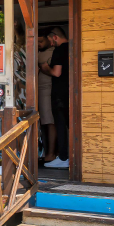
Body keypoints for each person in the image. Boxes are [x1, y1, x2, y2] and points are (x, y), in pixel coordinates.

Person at [40, 27, 70, 169]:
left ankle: (64, 157)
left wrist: (46, 68)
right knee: (70, 126)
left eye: (51, 40)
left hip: (60, 95)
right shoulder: (73, 48)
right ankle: (70, 157)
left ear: (55, 37)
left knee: (61, 125)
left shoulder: (60, 50)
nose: (51, 44)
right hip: (71, 93)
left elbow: (57, 73)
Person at [36, 33, 55, 166]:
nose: (39, 44)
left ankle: (51, 153)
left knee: (49, 122)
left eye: (41, 41)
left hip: (47, 90)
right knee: (41, 123)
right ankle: (43, 153)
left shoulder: (52, 52)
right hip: (36, 91)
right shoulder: (37, 52)